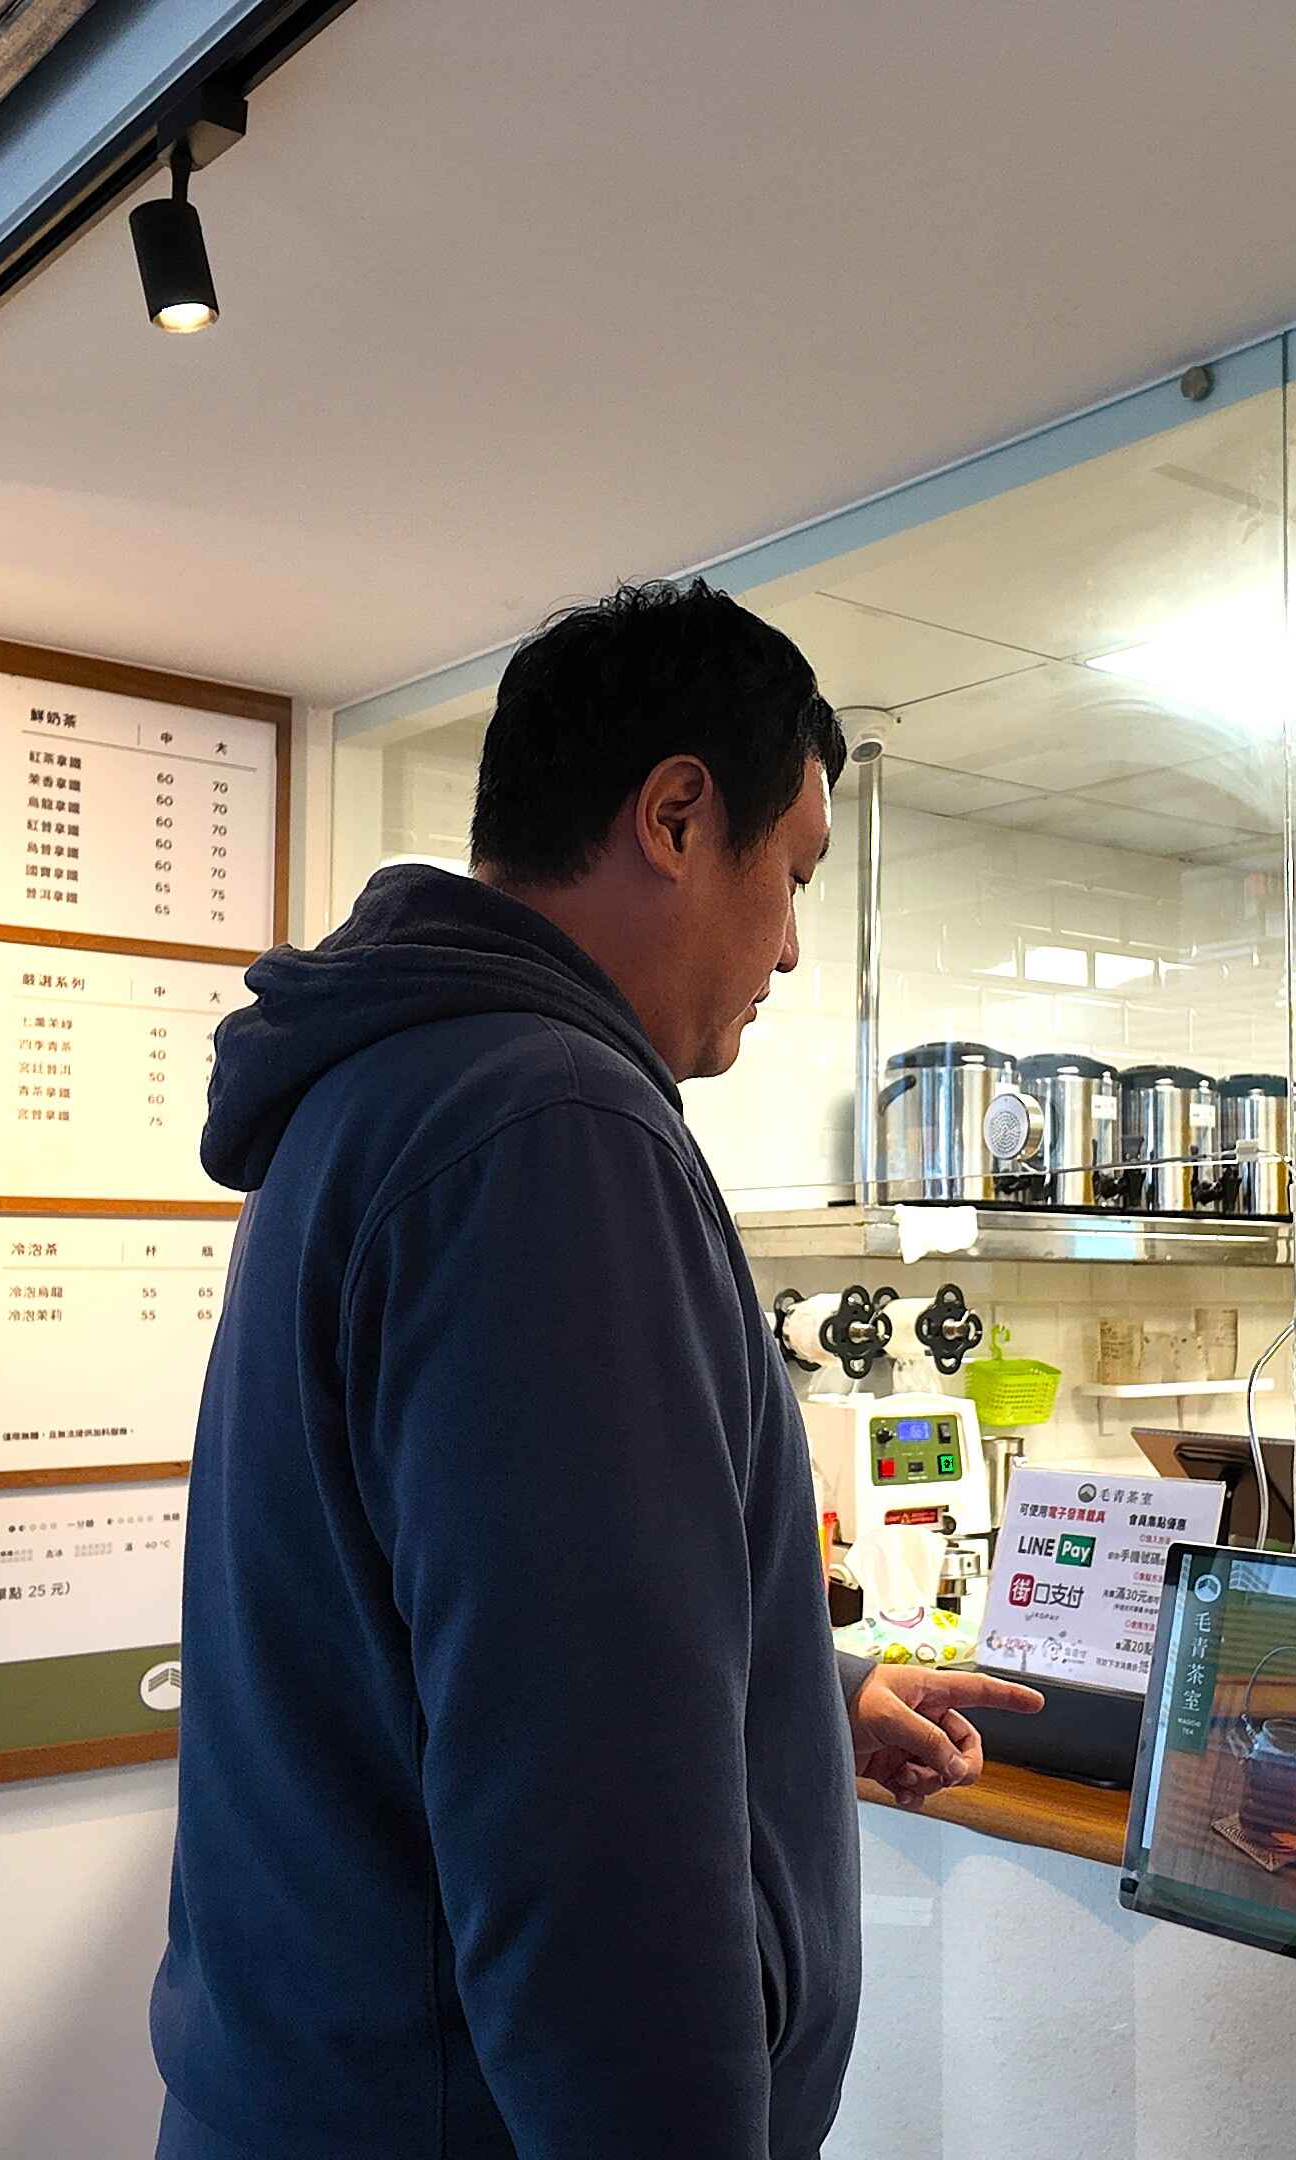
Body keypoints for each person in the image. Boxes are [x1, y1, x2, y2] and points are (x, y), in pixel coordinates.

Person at [158, 581, 1038, 2160]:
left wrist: (800, 1693)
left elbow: (475, 1631)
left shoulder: (390, 1090)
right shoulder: (550, 1130)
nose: (788, 948)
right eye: (791, 877)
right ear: (678, 818)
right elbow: (586, 1824)